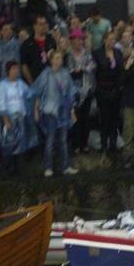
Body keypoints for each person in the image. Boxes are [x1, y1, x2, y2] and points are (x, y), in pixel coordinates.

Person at [32, 49, 78, 177]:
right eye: (56, 58)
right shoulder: (45, 74)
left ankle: (65, 166)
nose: (59, 61)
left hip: (63, 111)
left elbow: (70, 93)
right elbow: (37, 93)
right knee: (50, 139)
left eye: (60, 58)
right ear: (51, 60)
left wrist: (72, 111)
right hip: (49, 110)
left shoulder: (65, 74)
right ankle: (48, 167)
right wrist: (36, 110)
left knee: (63, 140)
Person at [0, 60, 32, 176]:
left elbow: (29, 93)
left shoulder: (20, 83)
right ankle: (6, 169)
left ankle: (18, 169)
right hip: (9, 117)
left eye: (17, 69)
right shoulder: (2, 85)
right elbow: (1, 103)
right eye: (14, 69)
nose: (16, 71)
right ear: (8, 71)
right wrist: (5, 119)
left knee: (20, 144)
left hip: (20, 117)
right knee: (9, 144)